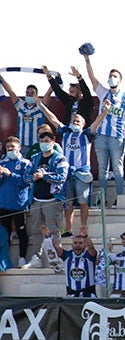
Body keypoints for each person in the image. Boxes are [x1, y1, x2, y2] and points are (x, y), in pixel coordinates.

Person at [34, 99, 99, 236]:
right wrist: (41, 106)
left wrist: (104, 111)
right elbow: (53, 119)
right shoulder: (65, 132)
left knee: (83, 201)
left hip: (82, 173)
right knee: (68, 203)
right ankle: (68, 228)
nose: (75, 123)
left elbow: (97, 123)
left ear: (83, 124)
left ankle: (83, 227)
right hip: (66, 173)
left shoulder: (87, 134)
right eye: (73, 121)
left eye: (78, 121)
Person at [83, 52, 125, 207]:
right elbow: (92, 78)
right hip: (101, 136)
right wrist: (87, 60)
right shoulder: (103, 92)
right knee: (102, 170)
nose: (111, 78)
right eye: (110, 75)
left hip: (118, 137)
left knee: (118, 169)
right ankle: (103, 198)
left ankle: (119, 199)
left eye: (114, 76)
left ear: (120, 80)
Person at [24, 129, 69, 267]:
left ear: (53, 142)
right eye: (42, 141)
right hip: (36, 199)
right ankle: (36, 258)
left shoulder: (60, 158)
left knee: (54, 230)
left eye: (47, 141)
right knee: (36, 230)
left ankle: (57, 256)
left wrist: (44, 175)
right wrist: (33, 177)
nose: (44, 143)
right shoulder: (35, 158)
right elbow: (26, 176)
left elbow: (62, 177)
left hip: (52, 200)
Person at [1, 136, 34, 267]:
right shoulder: (2, 163)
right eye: (8, 147)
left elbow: (26, 182)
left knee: (21, 231)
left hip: (18, 203)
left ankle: (22, 257)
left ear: (19, 148)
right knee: (4, 233)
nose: (10, 149)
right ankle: (3, 260)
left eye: (12, 147)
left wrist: (10, 174)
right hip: (3, 203)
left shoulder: (26, 163)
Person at [39, 224, 97, 297]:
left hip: (88, 296)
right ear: (72, 245)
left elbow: (91, 248)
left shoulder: (89, 256)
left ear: (85, 245)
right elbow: (56, 247)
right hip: (71, 296)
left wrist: (85, 236)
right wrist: (48, 235)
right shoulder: (68, 255)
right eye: (75, 243)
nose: (77, 245)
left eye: (80, 243)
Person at [0, 74, 47, 153]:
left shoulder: (41, 106)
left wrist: (53, 79)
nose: (29, 94)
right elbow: (10, 92)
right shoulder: (20, 105)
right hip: (21, 145)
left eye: (32, 93)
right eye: (27, 92)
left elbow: (48, 94)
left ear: (37, 95)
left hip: (36, 145)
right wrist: (1, 78)